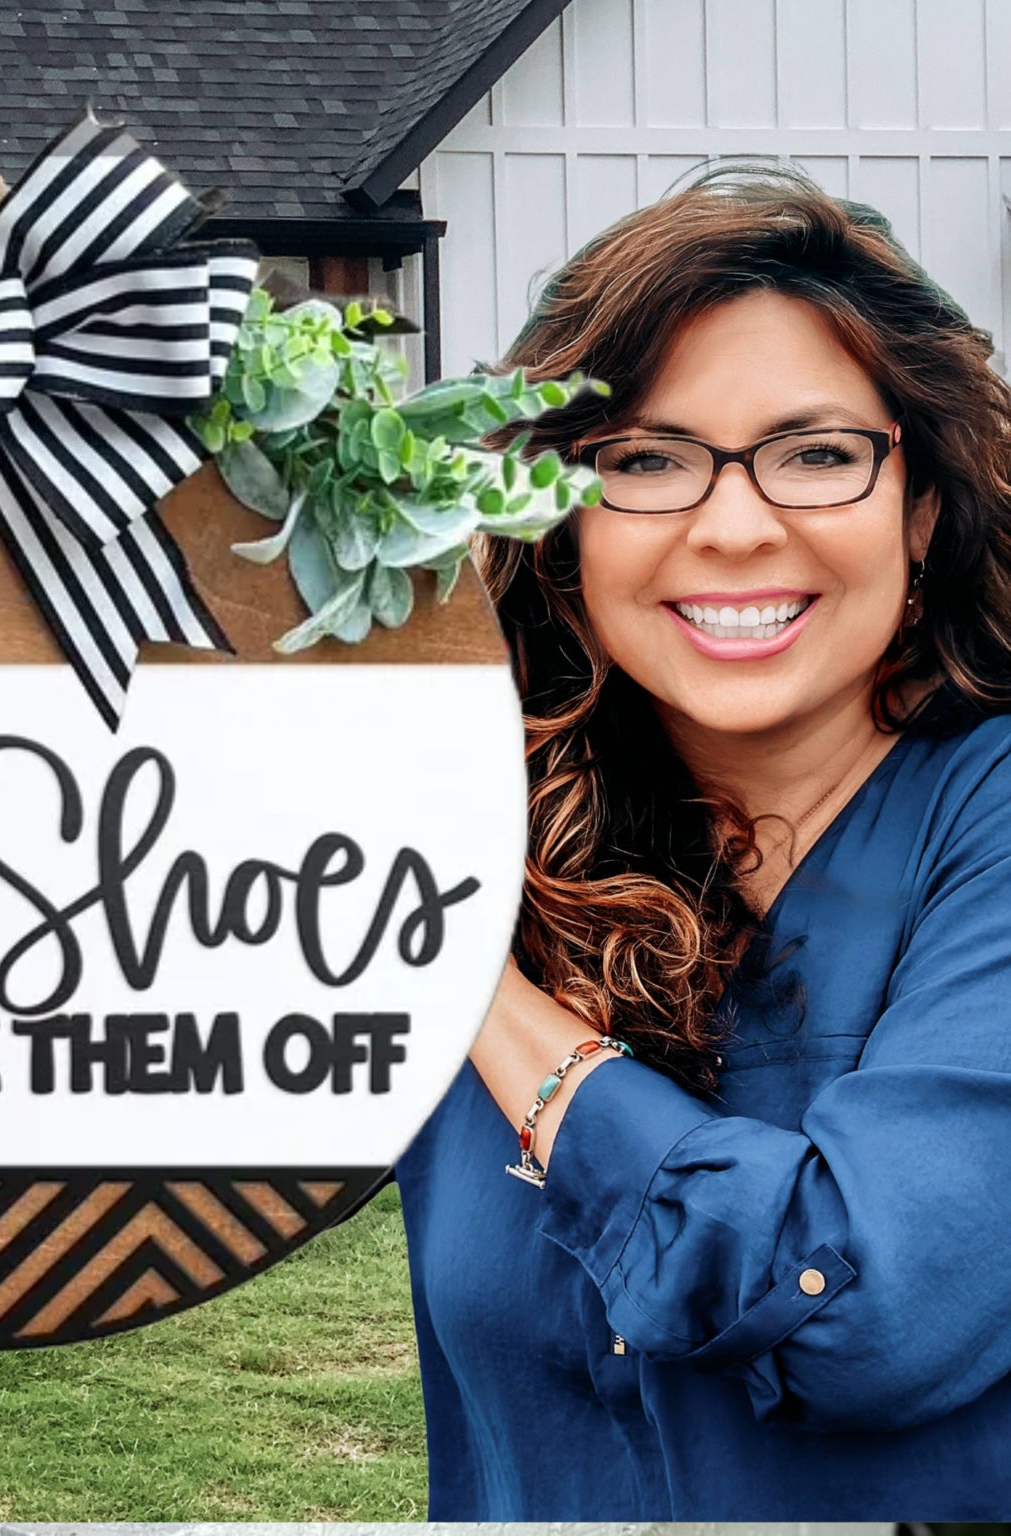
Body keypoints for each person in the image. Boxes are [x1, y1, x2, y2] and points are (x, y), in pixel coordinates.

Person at [393, 163, 1011, 1519]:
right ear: (560, 526)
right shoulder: (473, 819)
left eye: (815, 453)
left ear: (921, 509)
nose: (735, 527)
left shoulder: (991, 824)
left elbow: (863, 1310)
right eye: (648, 461)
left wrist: (463, 979)